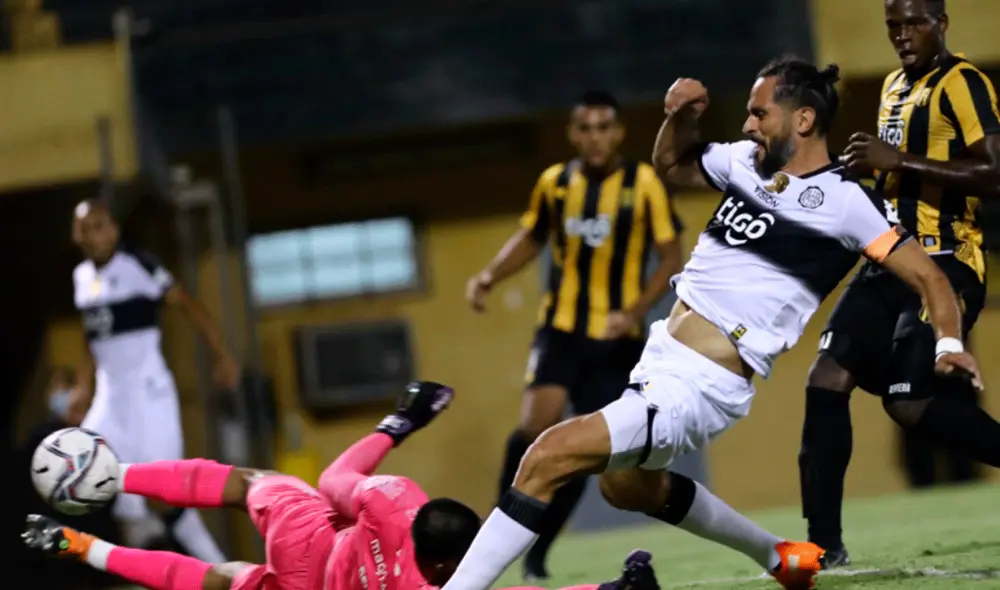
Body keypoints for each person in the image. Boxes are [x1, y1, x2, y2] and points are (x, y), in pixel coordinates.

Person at [435, 55, 984, 590]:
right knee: (625, 487)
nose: (748, 124)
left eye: (759, 112)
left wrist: (950, 343)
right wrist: (679, 118)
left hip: (701, 384)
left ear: (804, 119)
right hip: (659, 358)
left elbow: (931, 279)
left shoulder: (846, 204)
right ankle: (778, 556)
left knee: (545, 456)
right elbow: (672, 165)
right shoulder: (743, 161)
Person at [23, 381, 663, 590]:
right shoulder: (432, 588)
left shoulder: (397, 503)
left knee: (248, 485)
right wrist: (608, 587)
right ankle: (79, 545)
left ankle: (116, 478)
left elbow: (334, 478)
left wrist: (398, 424)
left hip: (307, 541)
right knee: (212, 583)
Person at [797, 0, 1000, 566]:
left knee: (909, 404)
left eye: (913, 24)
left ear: (941, 23)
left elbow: (995, 172)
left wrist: (900, 159)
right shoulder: (891, 86)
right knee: (825, 380)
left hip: (948, 262)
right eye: (893, 27)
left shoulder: (963, 82)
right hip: (888, 261)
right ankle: (823, 545)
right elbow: (897, 173)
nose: (902, 36)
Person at [466, 90, 683, 581]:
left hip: (616, 340)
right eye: (585, 128)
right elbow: (531, 236)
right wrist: (488, 276)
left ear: (620, 132)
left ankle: (539, 551)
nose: (595, 137)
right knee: (533, 426)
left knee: (587, 450)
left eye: (604, 127)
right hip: (561, 330)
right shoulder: (556, 183)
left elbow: (671, 255)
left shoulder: (643, 183)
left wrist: (634, 311)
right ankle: (504, 524)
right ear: (572, 134)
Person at [69, 198, 240, 563]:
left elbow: (188, 304)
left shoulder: (138, 265)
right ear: (75, 234)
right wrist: (84, 385)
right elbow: (93, 336)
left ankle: (222, 569)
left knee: (170, 491)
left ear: (113, 229)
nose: (93, 234)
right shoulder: (81, 277)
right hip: (110, 397)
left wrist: (221, 354)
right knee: (79, 461)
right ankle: (144, 546)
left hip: (149, 393)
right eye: (85, 227)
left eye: (100, 225)